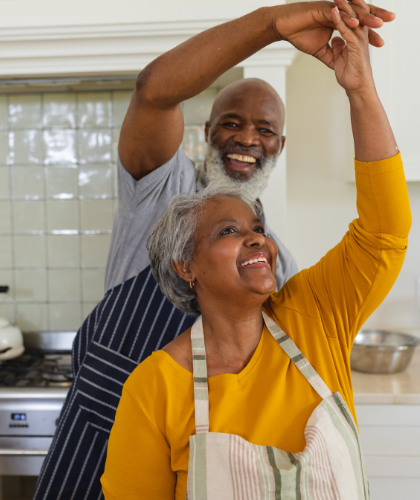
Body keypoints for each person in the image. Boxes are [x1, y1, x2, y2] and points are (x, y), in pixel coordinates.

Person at [33, 1, 395, 498]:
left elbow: (382, 233)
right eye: (231, 122)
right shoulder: (165, 192)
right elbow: (154, 92)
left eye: (264, 130)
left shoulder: (272, 263)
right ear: (206, 133)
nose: (247, 138)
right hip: (96, 434)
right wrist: (271, 25)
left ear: (280, 146)